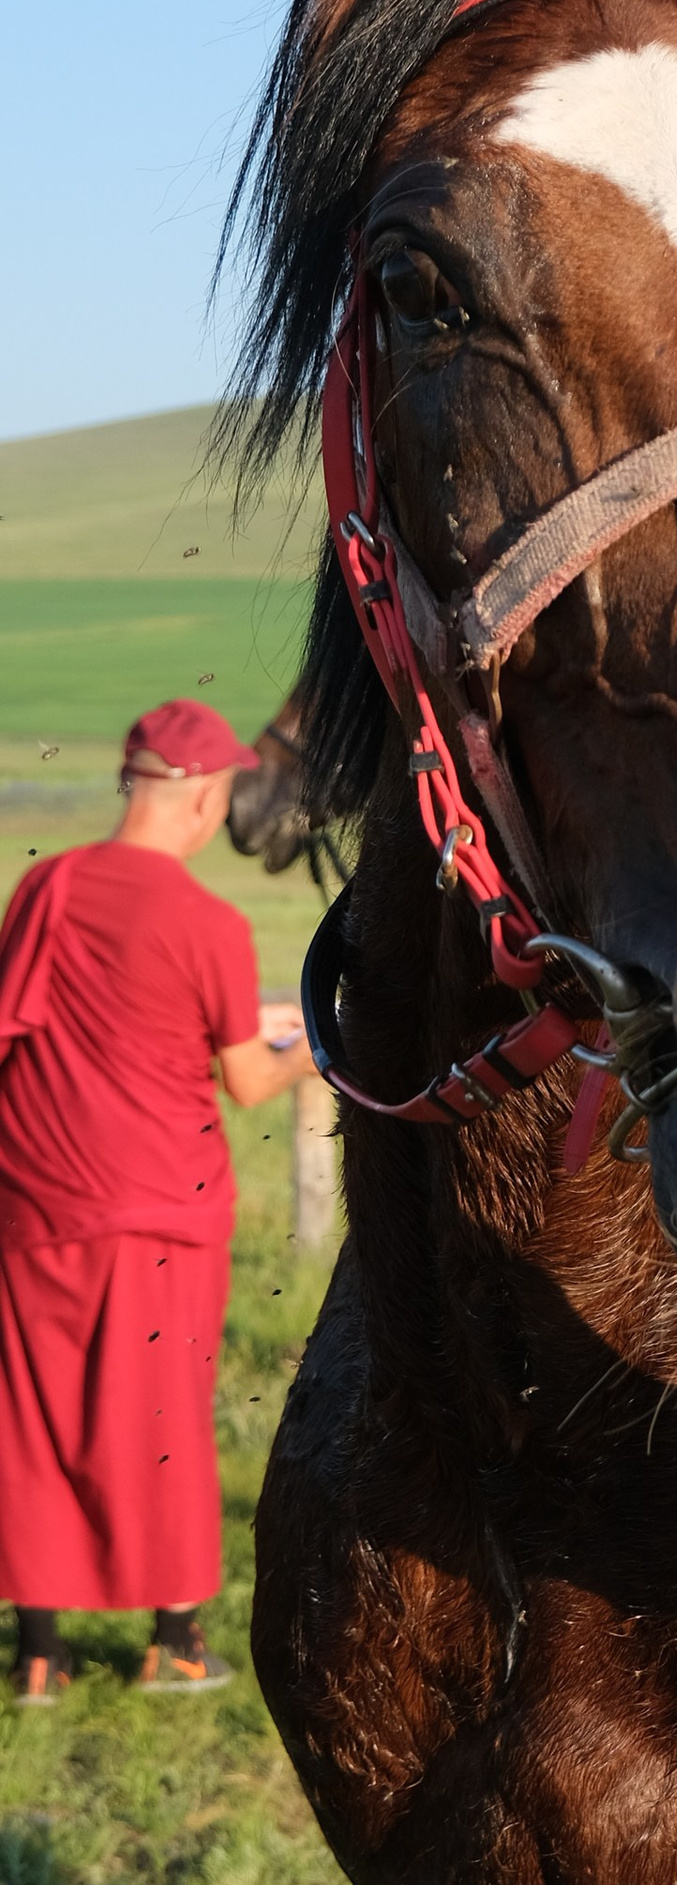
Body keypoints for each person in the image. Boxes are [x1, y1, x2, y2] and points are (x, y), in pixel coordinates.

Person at [0, 698, 308, 1705]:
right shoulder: (209, 924)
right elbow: (249, 1083)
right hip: (165, 1215)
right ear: (206, 795)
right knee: (162, 1423)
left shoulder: (46, 885)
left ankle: (36, 1656)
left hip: (36, 1203)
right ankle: (172, 1643)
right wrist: (323, 1041)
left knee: (31, 1419)